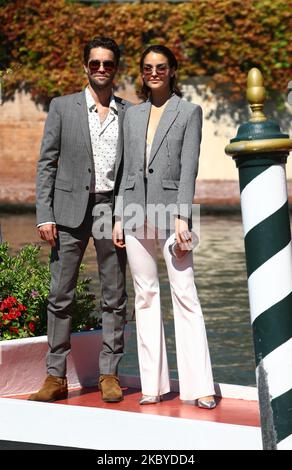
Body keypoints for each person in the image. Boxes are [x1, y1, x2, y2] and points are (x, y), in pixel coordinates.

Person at [29, 37, 131, 403]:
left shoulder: (129, 112)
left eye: (107, 64)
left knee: (114, 295)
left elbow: (132, 171)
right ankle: (55, 376)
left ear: (115, 68)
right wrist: (45, 214)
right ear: (85, 66)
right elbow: (47, 163)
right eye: (95, 63)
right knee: (60, 294)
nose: (101, 69)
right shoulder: (62, 107)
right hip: (68, 211)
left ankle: (109, 374)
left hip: (109, 209)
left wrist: (126, 214)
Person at [113, 45, 216, 408]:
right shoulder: (131, 114)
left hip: (174, 213)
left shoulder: (189, 112)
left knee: (185, 293)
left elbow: (189, 168)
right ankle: (152, 386)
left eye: (160, 67)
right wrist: (117, 216)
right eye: (147, 67)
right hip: (135, 213)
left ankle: (200, 386)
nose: (153, 72)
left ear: (172, 70)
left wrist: (182, 216)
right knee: (145, 295)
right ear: (142, 72)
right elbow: (125, 170)